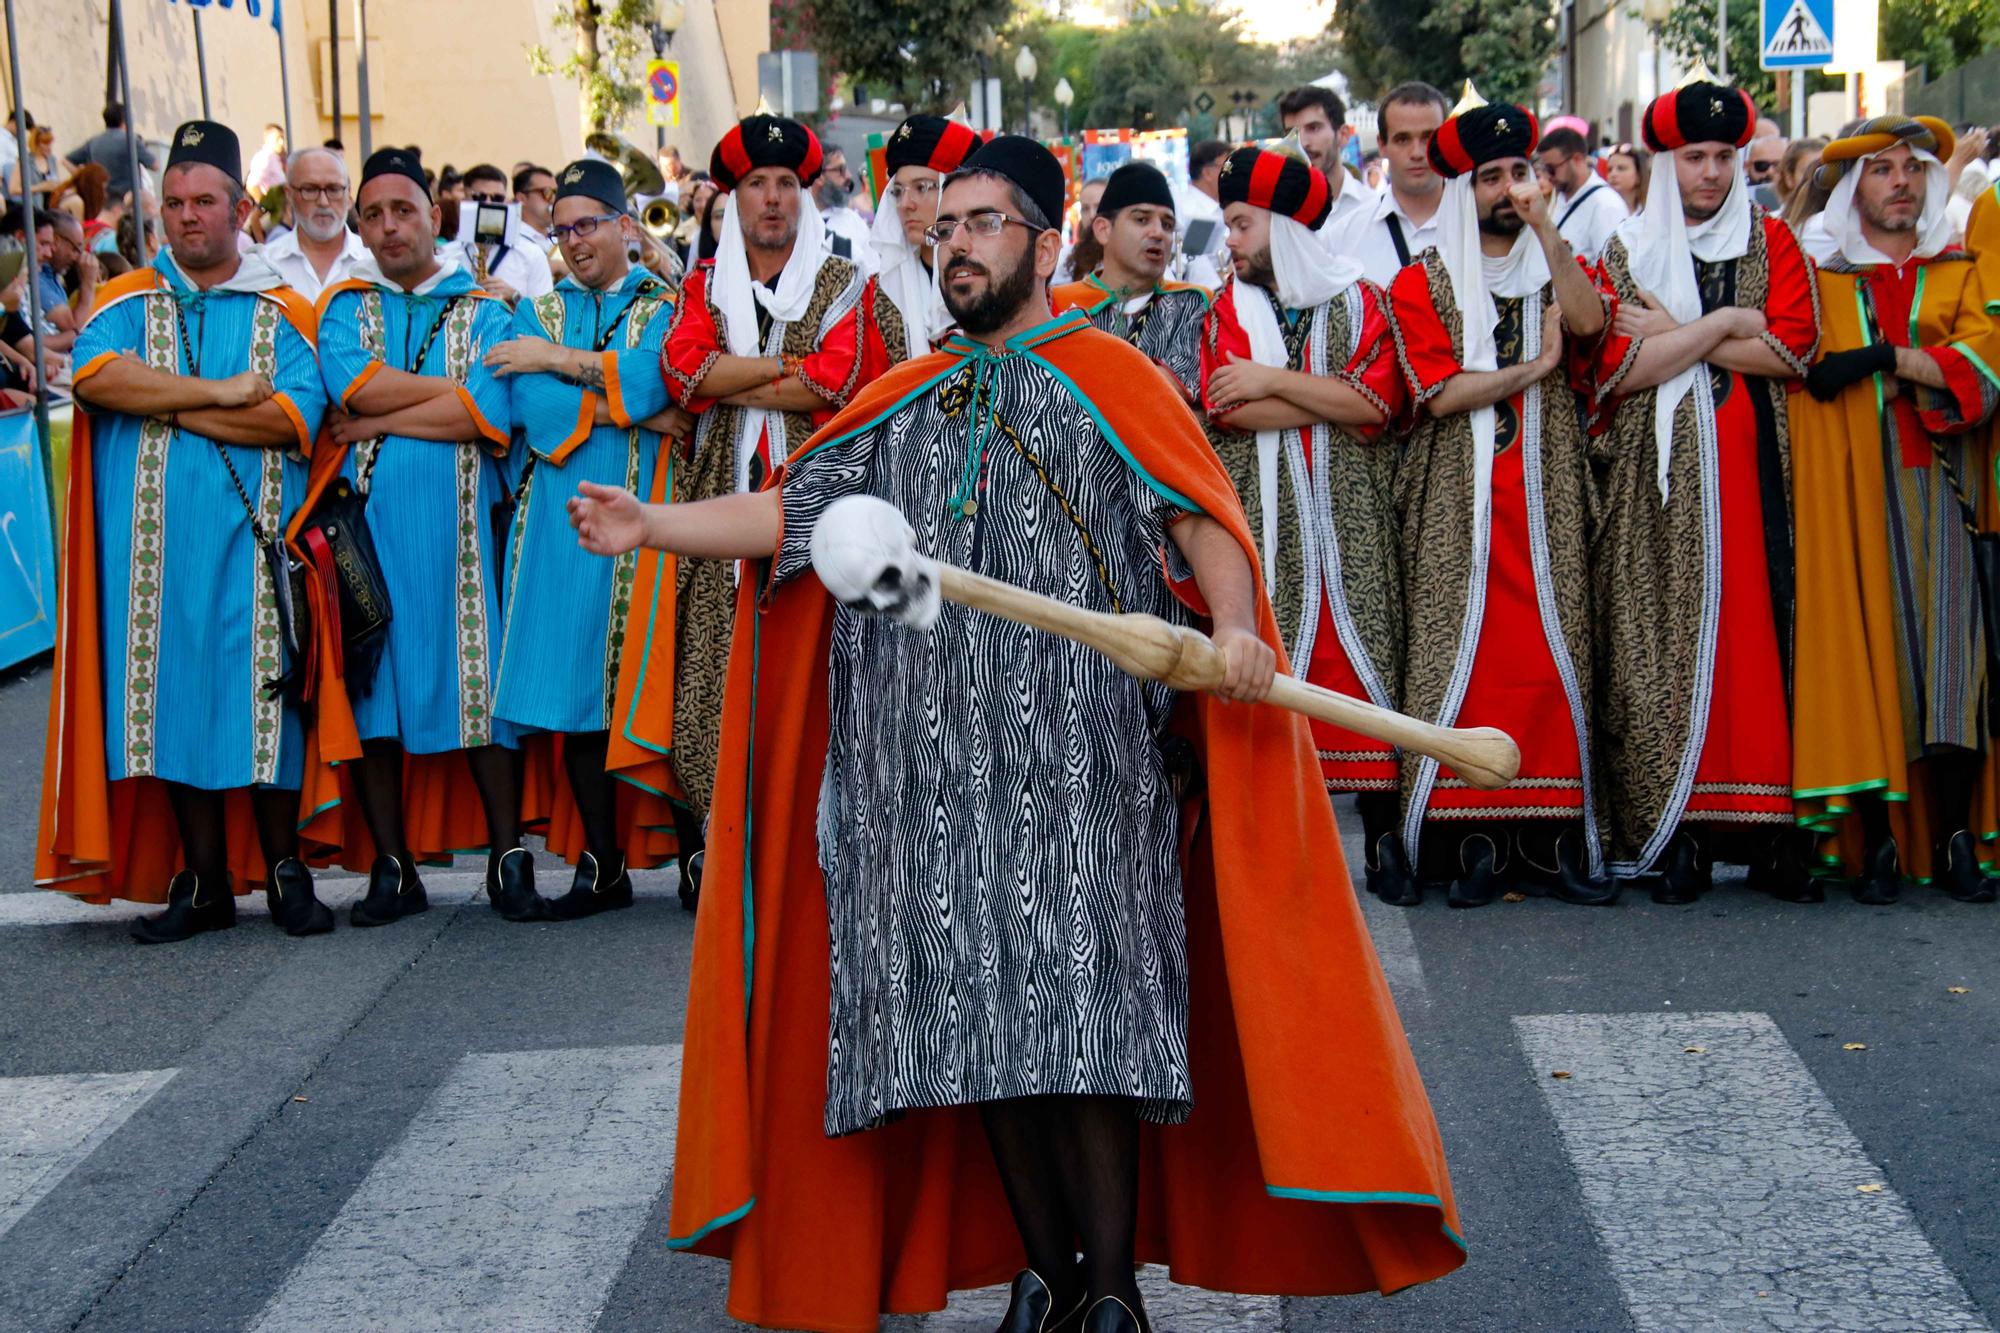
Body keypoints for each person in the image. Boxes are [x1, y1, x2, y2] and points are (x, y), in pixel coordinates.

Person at [568, 130, 1464, 1333]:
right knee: (973, 1029)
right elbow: (797, 514)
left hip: (1079, 758)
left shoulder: (1110, 374)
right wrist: (653, 524)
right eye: (944, 227)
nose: (958, 245)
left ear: (1045, 241)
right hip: (919, 771)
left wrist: (1242, 627)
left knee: (1083, 1024)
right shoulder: (905, 392)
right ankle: (1044, 1273)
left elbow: (1201, 515)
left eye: (984, 223)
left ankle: (1111, 1291)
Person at [36, 120, 334, 940]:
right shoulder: (131, 298)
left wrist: (176, 397)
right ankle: (202, 883)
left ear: (240, 208)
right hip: (151, 557)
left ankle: (285, 874)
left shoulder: (283, 310)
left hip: (256, 548)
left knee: (266, 706)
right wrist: (220, 393)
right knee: (168, 709)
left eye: (204, 201)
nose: (187, 217)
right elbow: (97, 377)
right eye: (174, 203)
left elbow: (292, 420)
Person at [1586, 82, 1822, 902]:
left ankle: (1768, 837)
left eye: (1725, 156)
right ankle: (1673, 832)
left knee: (1763, 645)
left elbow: (1792, 356)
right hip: (1656, 492)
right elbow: (1624, 367)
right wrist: (1726, 325)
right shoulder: (1625, 248)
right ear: (1665, 161)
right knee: (1662, 648)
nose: (1713, 172)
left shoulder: (1775, 239)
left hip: (1758, 480)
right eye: (1695, 157)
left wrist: (1682, 334)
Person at [1389, 88, 1615, 907]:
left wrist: (1550, 231)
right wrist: (1530, 371)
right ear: (1464, 187)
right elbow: (1440, 393)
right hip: (1458, 493)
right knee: (1464, 650)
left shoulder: (1558, 263)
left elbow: (1587, 327)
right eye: (1491, 176)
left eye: (1521, 171)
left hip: (1548, 484)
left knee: (1555, 650)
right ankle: (1464, 838)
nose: (1508, 189)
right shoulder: (1424, 281)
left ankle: (1555, 839)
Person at [313, 148, 542, 924]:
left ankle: (509, 859)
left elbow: (489, 414)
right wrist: (448, 396)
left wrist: (380, 417)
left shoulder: (486, 311)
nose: (388, 227)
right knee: (374, 692)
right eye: (372, 215)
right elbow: (354, 385)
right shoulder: (346, 306)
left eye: (402, 210)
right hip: (367, 537)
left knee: (480, 687)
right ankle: (391, 863)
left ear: (431, 214)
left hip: (465, 538)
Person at [656, 112, 880, 874]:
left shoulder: (844, 284)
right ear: (733, 198)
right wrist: (787, 367)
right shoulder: (700, 286)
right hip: (722, 495)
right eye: (757, 185)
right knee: (715, 660)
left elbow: (840, 379)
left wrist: (736, 373)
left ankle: (804, 841)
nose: (774, 199)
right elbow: (684, 373)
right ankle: (717, 845)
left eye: (787, 183)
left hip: (818, 500)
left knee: (815, 664)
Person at [1789, 116, 1999, 903]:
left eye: (1912, 168)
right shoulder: (1821, 274)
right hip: (1845, 493)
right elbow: (1797, 364)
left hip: (1942, 489)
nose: (1901, 181)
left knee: (1953, 667)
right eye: (1880, 170)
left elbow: (1982, 368)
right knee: (1867, 660)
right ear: (1853, 188)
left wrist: (1885, 358)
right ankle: (1872, 838)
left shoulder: (1960, 270)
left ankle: (1952, 840)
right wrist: (1919, 367)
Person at [1200, 140, 1414, 900]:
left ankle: (1387, 838)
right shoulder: (1225, 305)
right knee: (1272, 658)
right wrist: (1321, 393)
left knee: (1367, 656)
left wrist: (1273, 381)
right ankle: (1281, 858)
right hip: (1264, 518)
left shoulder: (1362, 300)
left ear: (1285, 225)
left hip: (1350, 514)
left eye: (1242, 224)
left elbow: (1377, 404)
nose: (1230, 241)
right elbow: (1226, 405)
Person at [483, 158, 690, 918]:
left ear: (625, 226)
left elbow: (659, 377)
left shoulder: (663, 303)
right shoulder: (534, 313)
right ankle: (602, 865)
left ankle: (691, 851)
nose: (573, 241)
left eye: (587, 224)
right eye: (561, 227)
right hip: (561, 524)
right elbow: (533, 412)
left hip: (651, 511)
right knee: (575, 694)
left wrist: (567, 365)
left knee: (654, 681)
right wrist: (621, 403)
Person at [1051, 160, 1211, 399]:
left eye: (1167, 224)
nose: (1158, 233)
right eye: (1141, 220)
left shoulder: (1193, 302)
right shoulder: (1062, 306)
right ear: (1103, 229)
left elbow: (1184, 388)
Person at [867, 112, 981, 362]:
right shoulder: (880, 291)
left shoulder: (986, 277)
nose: (905, 204)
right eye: (898, 191)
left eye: (922, 187)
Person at [1350, 81, 1451, 285]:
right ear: (1382, 145)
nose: (1417, 153)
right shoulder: (1346, 236)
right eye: (1403, 140)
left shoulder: (1478, 222)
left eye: (1428, 138)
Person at [259, 146, 365, 302]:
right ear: (289, 195)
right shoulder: (265, 267)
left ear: (349, 195)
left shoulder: (373, 264)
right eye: (310, 190)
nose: (323, 202)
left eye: (334, 189)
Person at [1278, 85, 1373, 254]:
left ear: (1343, 135)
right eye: (1292, 133)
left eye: (1313, 128)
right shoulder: (1276, 215)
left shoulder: (1372, 208)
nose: (1303, 142)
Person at [458, 162, 555, 304]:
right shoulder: (447, 256)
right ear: (464, 199)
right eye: (479, 197)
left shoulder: (532, 254)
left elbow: (547, 317)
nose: (489, 204)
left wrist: (515, 297)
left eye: (497, 198)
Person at [1535, 125, 1628, 261]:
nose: (1548, 176)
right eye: (1544, 169)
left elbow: (1610, 272)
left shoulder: (1605, 205)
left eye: (1551, 168)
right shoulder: (1560, 197)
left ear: (1577, 160)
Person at [65, 103, 156, 204]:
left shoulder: (93, 142)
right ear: (124, 120)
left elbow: (66, 160)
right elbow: (155, 165)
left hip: (102, 200)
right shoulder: (131, 140)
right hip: (128, 200)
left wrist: (84, 178)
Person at [813, 144, 875, 270]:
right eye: (840, 170)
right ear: (819, 176)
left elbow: (874, 274)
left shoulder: (853, 221)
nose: (848, 176)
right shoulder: (795, 223)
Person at [1053, 175, 1106, 284]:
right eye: (1085, 209)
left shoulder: (1128, 256)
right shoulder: (1067, 258)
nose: (1092, 215)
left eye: (1099, 207)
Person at [513, 163, 559, 256]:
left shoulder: (557, 236)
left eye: (556, 192)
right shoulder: (514, 242)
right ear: (522, 199)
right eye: (547, 192)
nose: (554, 199)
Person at [1604, 141, 1649, 214]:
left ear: (1639, 175)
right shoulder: (1601, 210)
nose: (1613, 174)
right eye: (1610, 169)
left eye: (1621, 168)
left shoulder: (1650, 214)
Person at [247, 124, 287, 194]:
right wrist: (265, 204)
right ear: (268, 139)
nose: (282, 142)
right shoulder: (264, 157)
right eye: (278, 138)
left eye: (282, 138)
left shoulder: (277, 158)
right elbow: (252, 186)